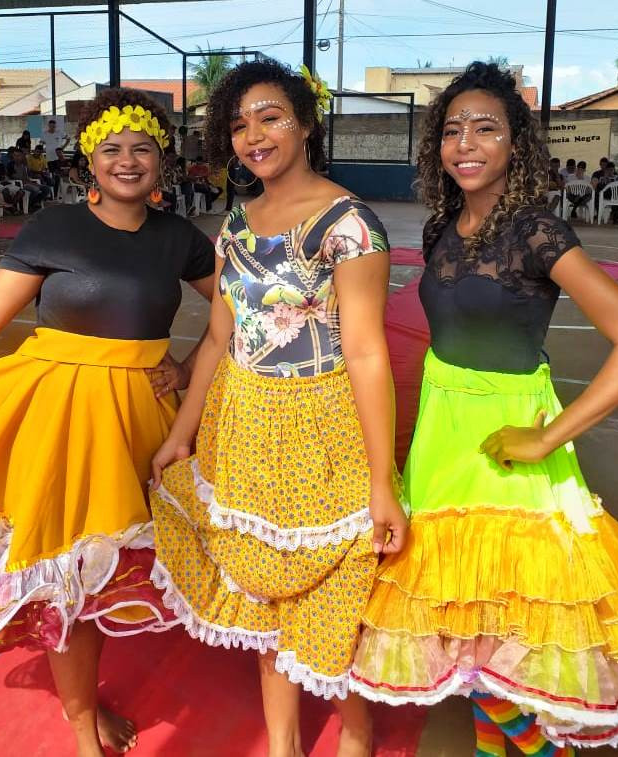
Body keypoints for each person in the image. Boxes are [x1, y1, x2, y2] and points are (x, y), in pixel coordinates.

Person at [349, 61, 618, 754]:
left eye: (485, 128)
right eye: (452, 129)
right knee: (466, 631)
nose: (465, 143)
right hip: (442, 444)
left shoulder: (538, 232)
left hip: (506, 449)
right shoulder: (441, 227)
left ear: (516, 144)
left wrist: (546, 438)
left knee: (504, 633)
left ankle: (539, 749)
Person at [0, 87, 215, 757]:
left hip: (136, 419)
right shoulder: (53, 227)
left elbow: (236, 317)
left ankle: (85, 707)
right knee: (65, 566)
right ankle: (81, 725)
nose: (127, 161)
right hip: (57, 413)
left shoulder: (180, 239)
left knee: (100, 572)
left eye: (143, 149)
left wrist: (186, 370)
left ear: (163, 160)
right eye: (112, 149)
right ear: (89, 160)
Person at [149, 58, 406, 756]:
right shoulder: (237, 221)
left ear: (307, 124)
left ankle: (357, 731)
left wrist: (381, 480)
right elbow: (219, 338)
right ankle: (285, 742)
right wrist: (181, 434)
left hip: (322, 426)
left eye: (270, 118)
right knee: (259, 582)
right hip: (242, 423)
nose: (253, 136)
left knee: (332, 585)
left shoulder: (350, 224)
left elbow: (366, 352)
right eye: (239, 125)